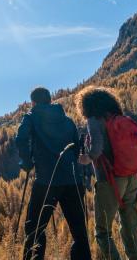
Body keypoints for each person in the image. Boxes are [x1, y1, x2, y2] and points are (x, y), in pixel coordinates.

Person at [15, 87, 91, 260]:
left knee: (34, 230)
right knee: (79, 232)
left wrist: (26, 163)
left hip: (46, 182)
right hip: (72, 181)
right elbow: (77, 148)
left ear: (33, 102)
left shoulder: (31, 117)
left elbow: (20, 138)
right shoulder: (67, 120)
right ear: (50, 100)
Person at [76, 86, 137, 260]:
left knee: (102, 232)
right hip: (132, 177)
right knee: (129, 227)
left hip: (110, 181)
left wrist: (85, 158)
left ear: (86, 105)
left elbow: (96, 149)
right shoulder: (118, 117)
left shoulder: (94, 120)